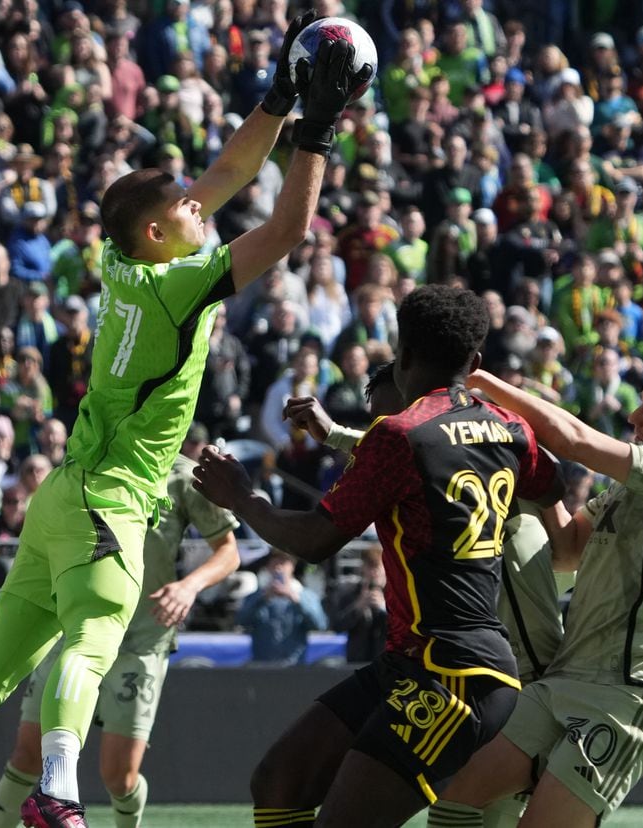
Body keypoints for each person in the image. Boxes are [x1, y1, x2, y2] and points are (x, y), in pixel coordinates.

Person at [0, 25, 367, 828]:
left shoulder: (128, 260)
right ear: (160, 231)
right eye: (183, 205)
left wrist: (279, 94)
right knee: (92, 646)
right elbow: (287, 232)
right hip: (112, 501)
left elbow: (231, 170)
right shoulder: (181, 286)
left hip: (59, 497)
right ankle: (58, 794)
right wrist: (320, 125)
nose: (197, 202)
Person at [193, 285, 560, 827]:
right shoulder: (510, 429)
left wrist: (242, 498)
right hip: (414, 663)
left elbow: (316, 541)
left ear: (403, 355)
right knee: (279, 781)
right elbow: (549, 482)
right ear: (476, 363)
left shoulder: (400, 435)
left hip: (454, 674)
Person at [438, 359, 643, 826]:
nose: (634, 418)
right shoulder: (636, 481)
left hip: (629, 694)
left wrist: (481, 384)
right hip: (567, 677)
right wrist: (538, 482)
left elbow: (574, 440)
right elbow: (568, 549)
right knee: (455, 799)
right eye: (640, 404)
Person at [0, 428, 240, 828]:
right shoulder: (88, 460)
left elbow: (228, 552)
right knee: (27, 755)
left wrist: (189, 586)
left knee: (117, 776)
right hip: (74, 625)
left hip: (142, 636)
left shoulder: (182, 476)